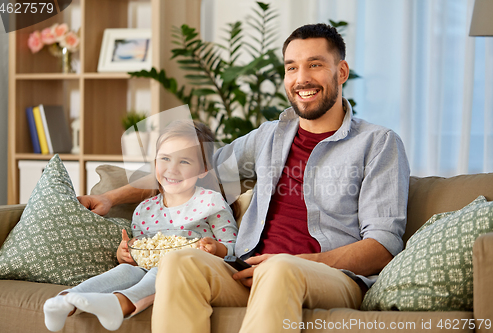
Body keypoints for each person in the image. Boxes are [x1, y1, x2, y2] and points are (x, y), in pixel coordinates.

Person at [78, 23, 410, 333]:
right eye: (291, 67)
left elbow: (382, 246)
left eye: (315, 65)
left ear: (341, 72)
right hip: (245, 270)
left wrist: (295, 261)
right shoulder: (268, 137)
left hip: (332, 277)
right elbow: (188, 167)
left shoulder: (377, 143)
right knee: (179, 262)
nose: (301, 78)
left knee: (279, 269)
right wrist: (111, 197)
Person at [43, 120, 238, 332]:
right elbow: (140, 259)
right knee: (127, 270)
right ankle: (67, 300)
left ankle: (120, 303)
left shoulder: (211, 202)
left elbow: (234, 247)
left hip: (191, 271)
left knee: (163, 269)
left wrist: (215, 248)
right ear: (154, 163)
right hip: (149, 270)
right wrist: (125, 254)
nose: (172, 169)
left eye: (184, 162)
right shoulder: (144, 210)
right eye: (165, 159)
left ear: (203, 170)